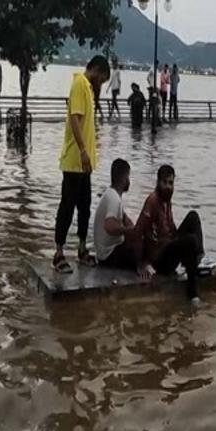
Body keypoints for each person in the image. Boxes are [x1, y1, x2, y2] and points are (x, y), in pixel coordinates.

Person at [52, 55, 112, 273]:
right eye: (102, 80)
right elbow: (75, 121)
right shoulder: (79, 84)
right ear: (96, 71)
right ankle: (59, 253)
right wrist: (83, 151)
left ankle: (81, 248)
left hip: (84, 165)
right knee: (67, 207)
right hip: (73, 162)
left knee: (84, 208)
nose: (102, 84)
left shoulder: (87, 88)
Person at [136, 165, 205, 303]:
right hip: (160, 260)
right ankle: (192, 294)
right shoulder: (152, 201)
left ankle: (197, 258)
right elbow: (138, 231)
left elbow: (171, 229)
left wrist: (183, 244)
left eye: (171, 183)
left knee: (193, 216)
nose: (168, 186)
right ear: (158, 183)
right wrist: (142, 264)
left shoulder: (167, 200)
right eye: (165, 182)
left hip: (169, 246)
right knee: (191, 241)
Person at [94, 159, 155, 279]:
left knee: (141, 237)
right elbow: (109, 226)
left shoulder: (112, 194)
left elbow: (126, 220)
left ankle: (142, 264)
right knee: (147, 248)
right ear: (124, 178)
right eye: (128, 177)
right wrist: (129, 231)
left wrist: (134, 230)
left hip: (105, 253)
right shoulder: (113, 199)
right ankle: (140, 268)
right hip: (108, 257)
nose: (129, 181)